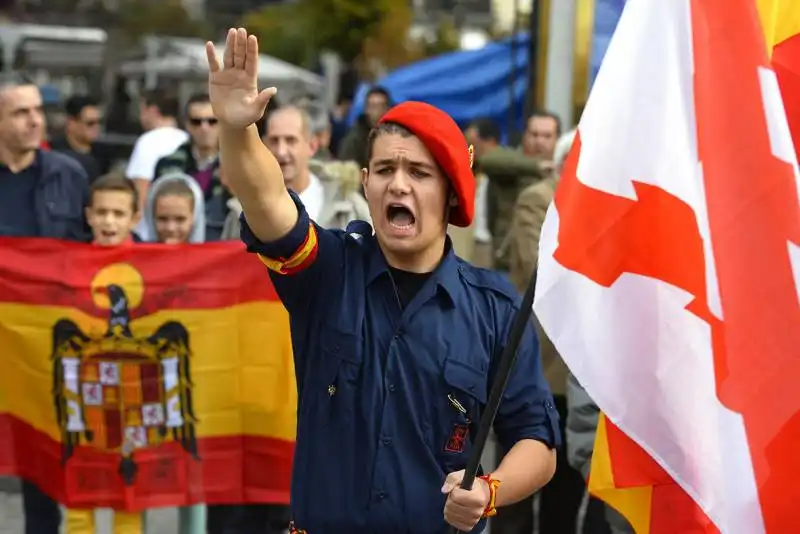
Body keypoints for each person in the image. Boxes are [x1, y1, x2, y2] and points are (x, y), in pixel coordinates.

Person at [206, 28, 559, 534]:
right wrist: (238, 128)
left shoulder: (497, 308)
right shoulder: (326, 270)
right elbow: (263, 197)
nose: (398, 183)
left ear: (452, 194)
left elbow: (537, 441)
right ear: (366, 182)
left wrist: (489, 489)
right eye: (386, 169)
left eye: (419, 172)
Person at [0, 72, 89, 534]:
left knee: (43, 460)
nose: (36, 120)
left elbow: (91, 252)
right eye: (21, 112)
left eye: (38, 110)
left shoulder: (68, 175)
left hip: (47, 345)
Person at [499, 129, 587, 534]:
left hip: (578, 371)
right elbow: (541, 267)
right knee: (513, 489)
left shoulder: (600, 204)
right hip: (539, 364)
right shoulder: (538, 197)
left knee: (564, 491)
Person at [67, 173, 143, 534]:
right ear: (89, 215)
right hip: (80, 396)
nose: (109, 221)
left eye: (118, 213)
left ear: (135, 218)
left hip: (133, 402)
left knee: (129, 494)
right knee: (79, 491)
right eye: (102, 212)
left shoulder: (154, 268)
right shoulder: (69, 266)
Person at [153, 93, 229, 240]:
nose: (204, 128)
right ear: (187, 125)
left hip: (219, 243)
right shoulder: (165, 164)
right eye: (196, 121)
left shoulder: (235, 166)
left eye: (212, 121)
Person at [127, 87, 189, 238]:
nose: (141, 116)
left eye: (142, 110)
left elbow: (140, 188)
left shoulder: (147, 142)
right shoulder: (187, 139)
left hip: (151, 231)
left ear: (153, 110)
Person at [50, 95, 103, 183]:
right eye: (90, 123)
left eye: (99, 122)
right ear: (71, 123)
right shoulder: (53, 152)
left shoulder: (102, 155)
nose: (96, 127)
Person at [338, 86, 392, 168]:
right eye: (373, 106)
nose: (377, 111)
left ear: (388, 108)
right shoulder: (355, 137)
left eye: (381, 106)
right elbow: (346, 166)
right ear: (366, 109)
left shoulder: (395, 133)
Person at [145, 174, 206, 245]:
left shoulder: (213, 255)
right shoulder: (136, 255)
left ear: (194, 219)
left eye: (180, 219)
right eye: (162, 219)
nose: (170, 228)